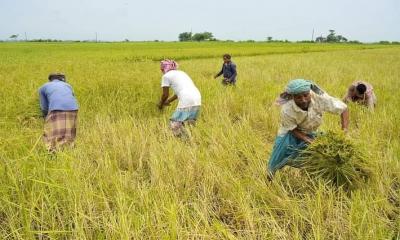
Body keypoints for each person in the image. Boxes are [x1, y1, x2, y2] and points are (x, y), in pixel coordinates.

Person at [267, 79, 349, 177]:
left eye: (306, 95)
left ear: (310, 92)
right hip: (289, 134)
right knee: (277, 159)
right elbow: (292, 129)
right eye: (298, 97)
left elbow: (344, 109)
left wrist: (344, 133)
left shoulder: (319, 98)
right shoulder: (287, 109)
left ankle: (315, 176)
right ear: (292, 97)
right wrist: (309, 140)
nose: (303, 100)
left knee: (316, 157)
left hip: (309, 131)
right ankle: (268, 179)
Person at [158, 59, 201, 137]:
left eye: (161, 68)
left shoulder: (166, 76)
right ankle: (192, 142)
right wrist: (168, 101)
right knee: (189, 124)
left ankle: (184, 142)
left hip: (187, 99)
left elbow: (165, 94)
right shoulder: (182, 73)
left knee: (174, 125)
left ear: (164, 68)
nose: (161, 69)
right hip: (197, 98)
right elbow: (180, 92)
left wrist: (161, 104)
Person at [39, 73, 79, 151]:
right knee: (68, 131)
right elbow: (72, 97)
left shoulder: (43, 87)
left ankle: (52, 151)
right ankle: (68, 149)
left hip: (56, 108)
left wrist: (45, 116)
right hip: (73, 108)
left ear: (50, 79)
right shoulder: (68, 85)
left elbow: (44, 107)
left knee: (51, 132)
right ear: (62, 79)